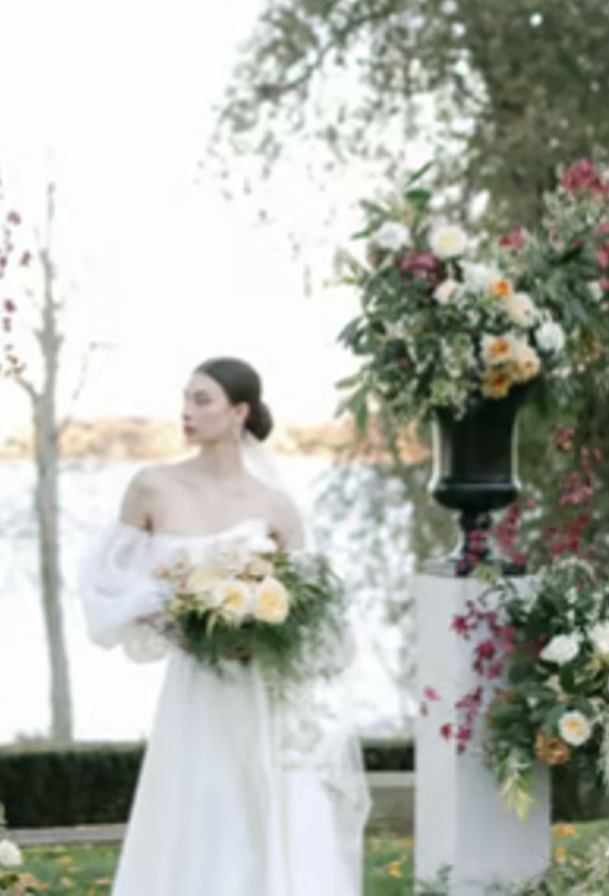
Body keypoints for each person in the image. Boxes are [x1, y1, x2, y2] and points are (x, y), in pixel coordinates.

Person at [76, 358, 367, 894]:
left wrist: (262, 630)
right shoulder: (153, 487)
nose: (187, 411)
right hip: (195, 690)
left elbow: (318, 615)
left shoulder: (275, 506)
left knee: (265, 813)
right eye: (185, 398)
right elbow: (105, 585)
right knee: (199, 811)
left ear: (239, 412)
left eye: (202, 400)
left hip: (261, 692)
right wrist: (174, 620)